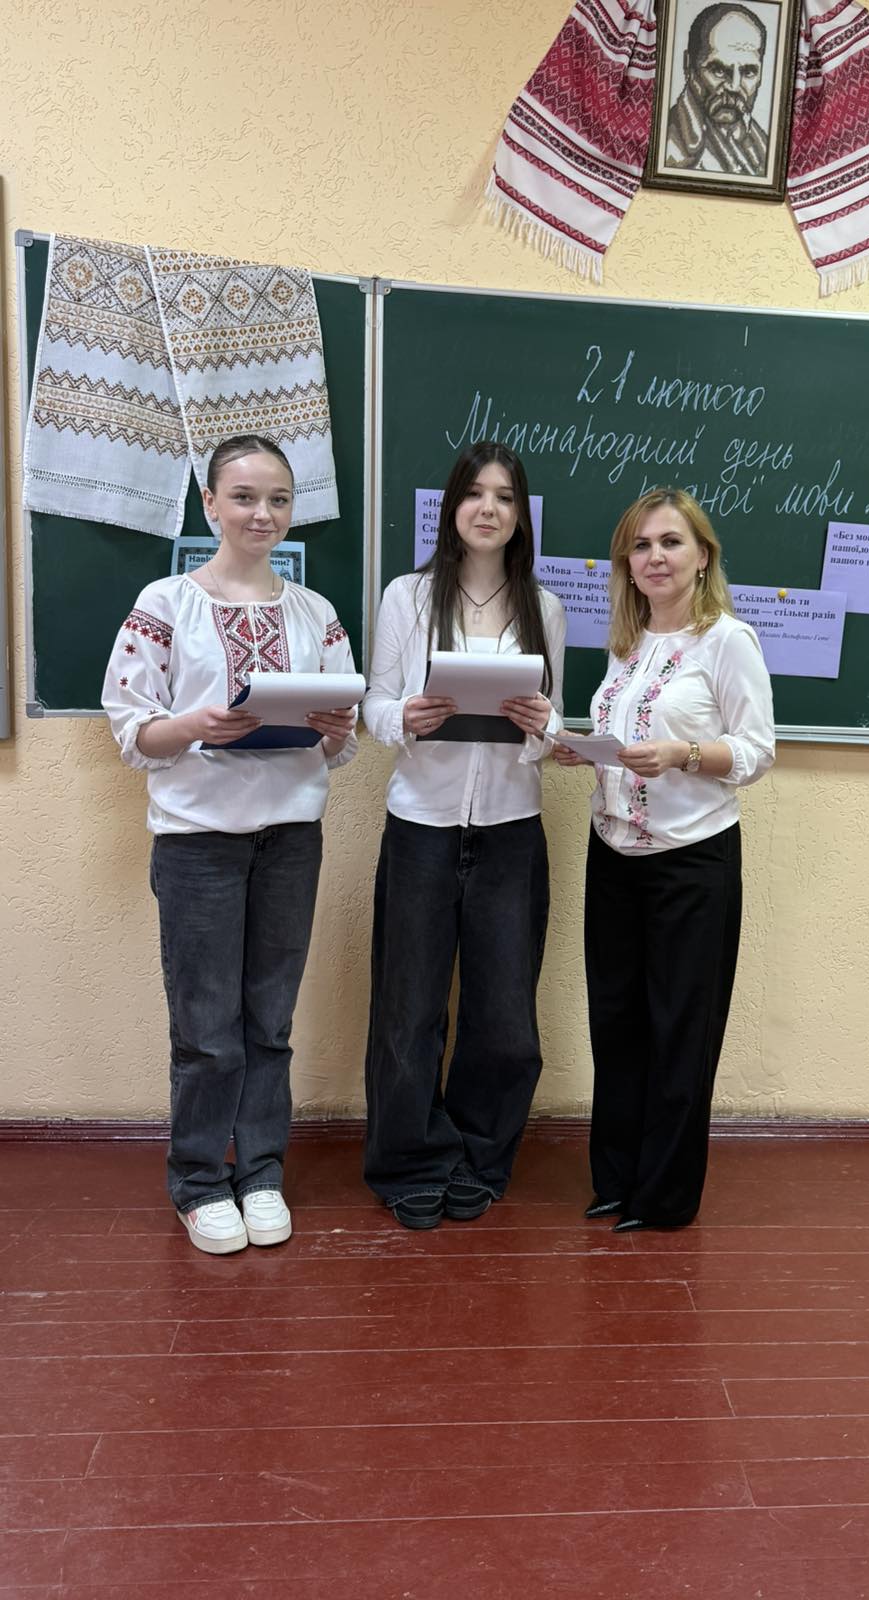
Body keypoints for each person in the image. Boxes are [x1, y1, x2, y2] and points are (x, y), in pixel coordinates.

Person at [101, 434, 359, 1256]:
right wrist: (193, 726)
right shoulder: (165, 602)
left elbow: (340, 744)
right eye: (244, 497)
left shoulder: (315, 613)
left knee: (269, 1020)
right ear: (209, 504)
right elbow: (131, 729)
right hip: (199, 845)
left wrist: (333, 728)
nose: (262, 514)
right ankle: (200, 1181)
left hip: (290, 839)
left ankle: (261, 1171)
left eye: (278, 499)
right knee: (207, 1029)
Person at [553, 488, 774, 1231]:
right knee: (617, 1022)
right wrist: (582, 749)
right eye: (640, 545)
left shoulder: (728, 641)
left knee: (681, 1027)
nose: (654, 557)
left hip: (691, 861)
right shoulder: (627, 643)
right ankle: (616, 1180)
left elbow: (757, 751)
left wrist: (684, 754)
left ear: (702, 555)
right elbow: (624, 740)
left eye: (671, 542)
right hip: (614, 851)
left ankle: (666, 1196)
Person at [362, 442, 566, 1230]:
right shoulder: (408, 596)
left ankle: (480, 1154)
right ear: (452, 506)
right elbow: (375, 705)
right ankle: (409, 1160)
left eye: (505, 497)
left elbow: (554, 724)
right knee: (408, 1009)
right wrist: (405, 717)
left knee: (504, 1014)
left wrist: (545, 724)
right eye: (476, 494)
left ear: (521, 514)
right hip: (422, 824)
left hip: (511, 830)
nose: (489, 509)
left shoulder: (544, 607)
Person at [665, 3, 770, 178]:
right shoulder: (670, 147)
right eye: (719, 70)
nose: (734, 86)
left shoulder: (763, 146)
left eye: (748, 72)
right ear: (689, 64)